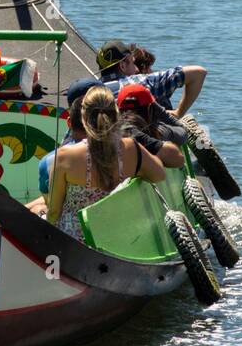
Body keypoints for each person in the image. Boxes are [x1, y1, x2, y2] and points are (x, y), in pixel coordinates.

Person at [45, 86, 165, 242]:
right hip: (118, 241)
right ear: (116, 114)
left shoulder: (64, 157)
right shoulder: (131, 149)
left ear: (84, 118)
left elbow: (54, 211)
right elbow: (159, 175)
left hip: (74, 243)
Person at [67, 39, 207, 117]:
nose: (136, 69)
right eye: (133, 62)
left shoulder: (89, 91)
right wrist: (178, 113)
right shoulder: (139, 83)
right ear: (122, 65)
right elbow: (198, 73)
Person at [116, 83, 187, 168]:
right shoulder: (159, 132)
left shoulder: (111, 130)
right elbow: (183, 132)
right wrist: (160, 110)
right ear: (150, 108)